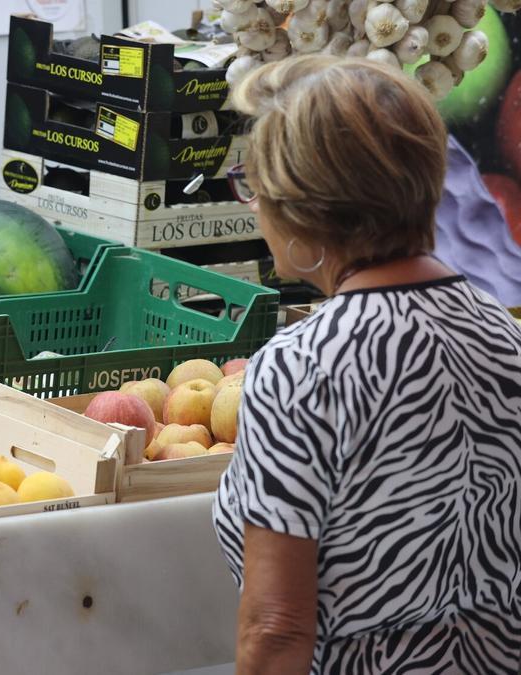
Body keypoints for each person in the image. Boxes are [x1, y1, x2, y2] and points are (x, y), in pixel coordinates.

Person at [212, 54, 521, 673]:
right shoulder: (504, 337)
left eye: (255, 184)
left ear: (307, 207)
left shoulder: (301, 369)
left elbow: (276, 631)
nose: (253, 207)